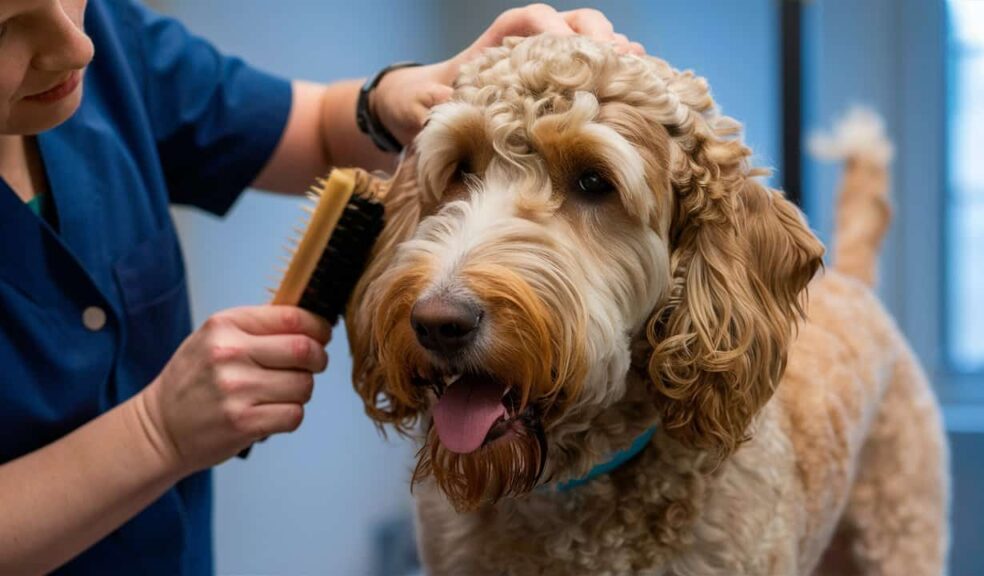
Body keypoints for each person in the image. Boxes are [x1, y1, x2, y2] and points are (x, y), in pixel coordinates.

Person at [0, 1, 642, 573]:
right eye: (5, 30)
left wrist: (393, 96)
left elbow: (313, 126)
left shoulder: (107, 37)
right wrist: (156, 434)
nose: (76, 46)